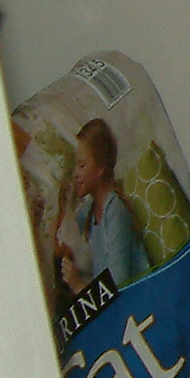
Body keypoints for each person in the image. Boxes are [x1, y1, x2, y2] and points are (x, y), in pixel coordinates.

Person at [60, 118, 148, 293]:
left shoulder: (115, 212)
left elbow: (119, 286)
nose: (76, 174)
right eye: (75, 166)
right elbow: (64, 235)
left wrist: (77, 284)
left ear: (100, 168)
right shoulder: (89, 212)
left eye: (82, 165)